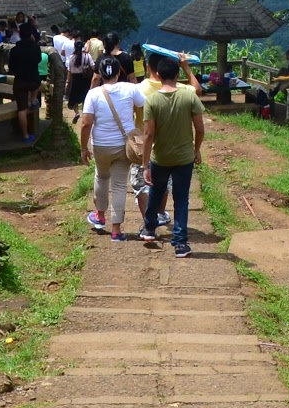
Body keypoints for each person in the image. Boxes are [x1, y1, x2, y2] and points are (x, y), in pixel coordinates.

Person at [139, 53, 205, 257]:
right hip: (184, 158)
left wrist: (145, 165)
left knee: (156, 192)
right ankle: (180, 243)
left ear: (158, 75)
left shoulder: (152, 100)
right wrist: (196, 149)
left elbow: (149, 134)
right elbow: (200, 129)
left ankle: (149, 229)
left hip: (160, 157)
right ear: (177, 75)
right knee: (182, 199)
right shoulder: (189, 96)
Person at [78, 57, 145, 240]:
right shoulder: (131, 89)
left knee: (101, 175)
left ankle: (99, 216)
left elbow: (86, 124)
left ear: (99, 73)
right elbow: (144, 104)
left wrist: (84, 148)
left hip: (101, 144)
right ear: (119, 72)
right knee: (119, 185)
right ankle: (116, 230)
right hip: (123, 145)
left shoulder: (93, 94)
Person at [7, 17, 42, 144]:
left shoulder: (14, 50)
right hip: (34, 80)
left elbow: (11, 68)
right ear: (31, 35)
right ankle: (33, 99)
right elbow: (38, 60)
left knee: (22, 109)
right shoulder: (36, 48)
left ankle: (26, 135)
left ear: (20, 35)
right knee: (39, 83)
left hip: (20, 82)